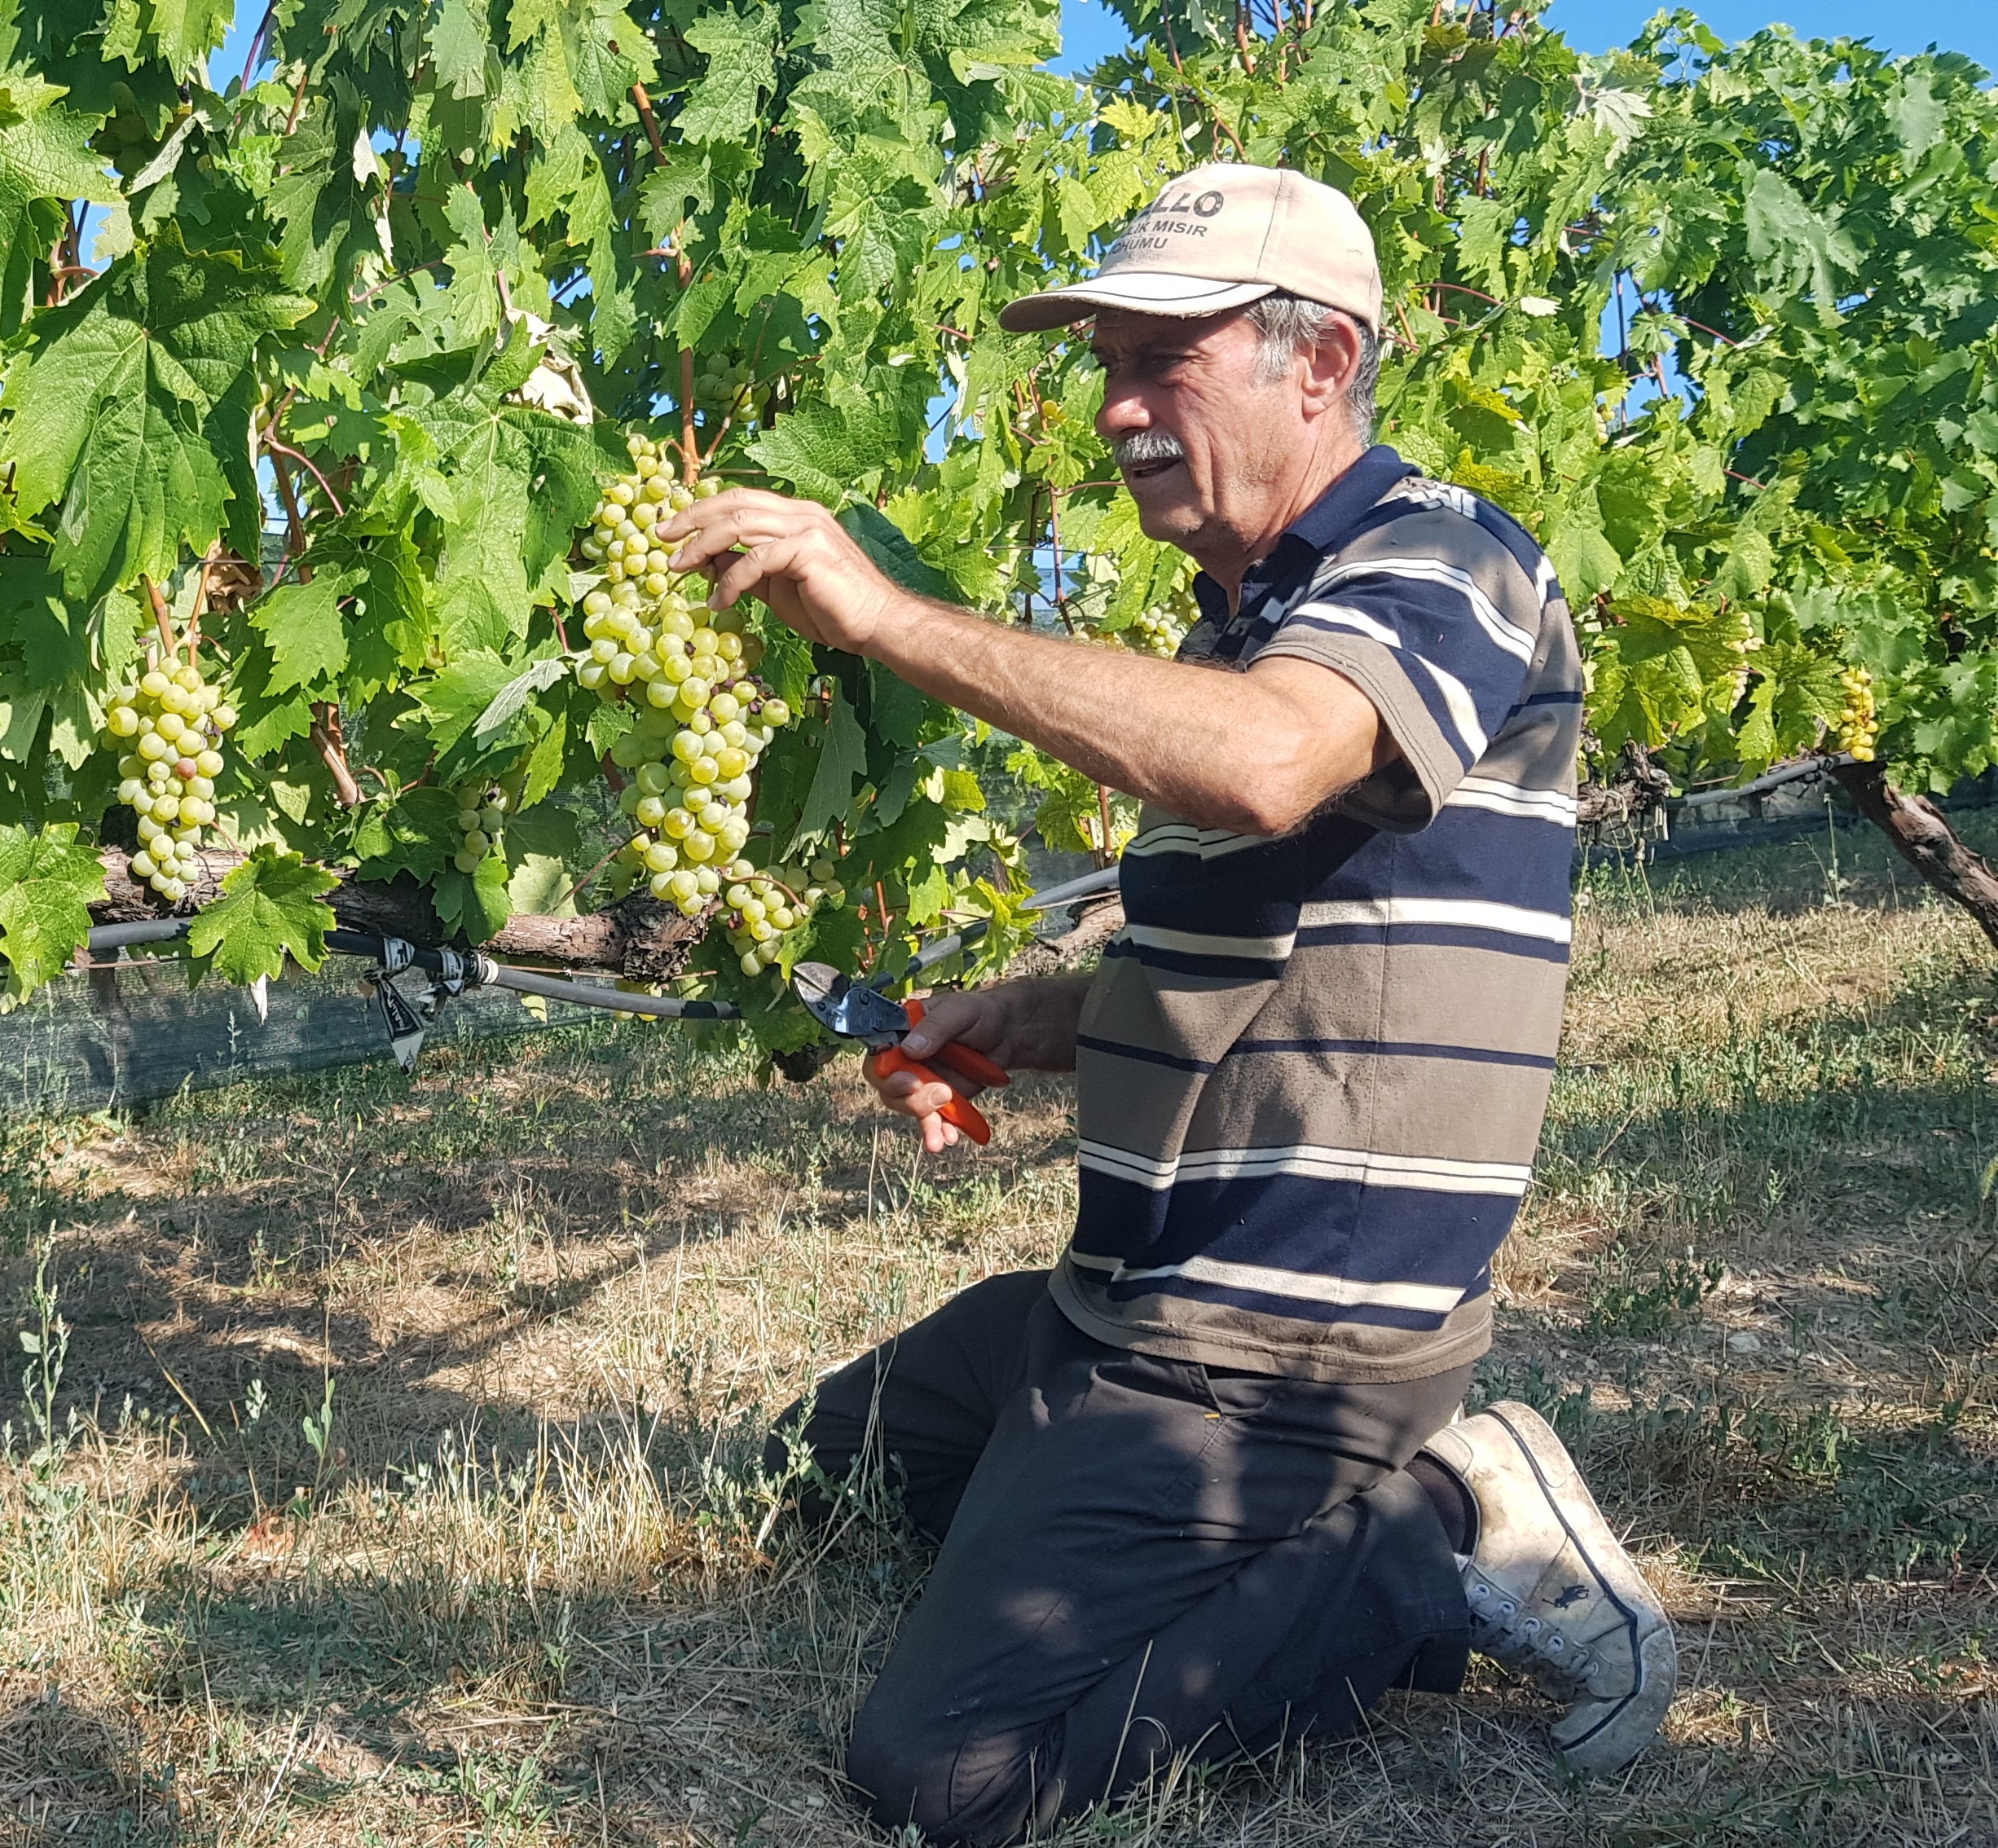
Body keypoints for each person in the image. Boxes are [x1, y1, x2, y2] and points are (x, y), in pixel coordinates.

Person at [658, 162, 1675, 1843]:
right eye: (1108, 364)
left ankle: (1433, 1525)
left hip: (1277, 1353)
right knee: (806, 1485)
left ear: (1323, 364)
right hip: (1120, 1311)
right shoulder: (1247, 633)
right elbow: (1256, 949)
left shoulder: (1448, 563)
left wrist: (888, 615)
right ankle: (1165, 1521)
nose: (1116, 409)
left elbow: (1273, 770)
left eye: (1165, 362)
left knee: (942, 1776)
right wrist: (1017, 1018)